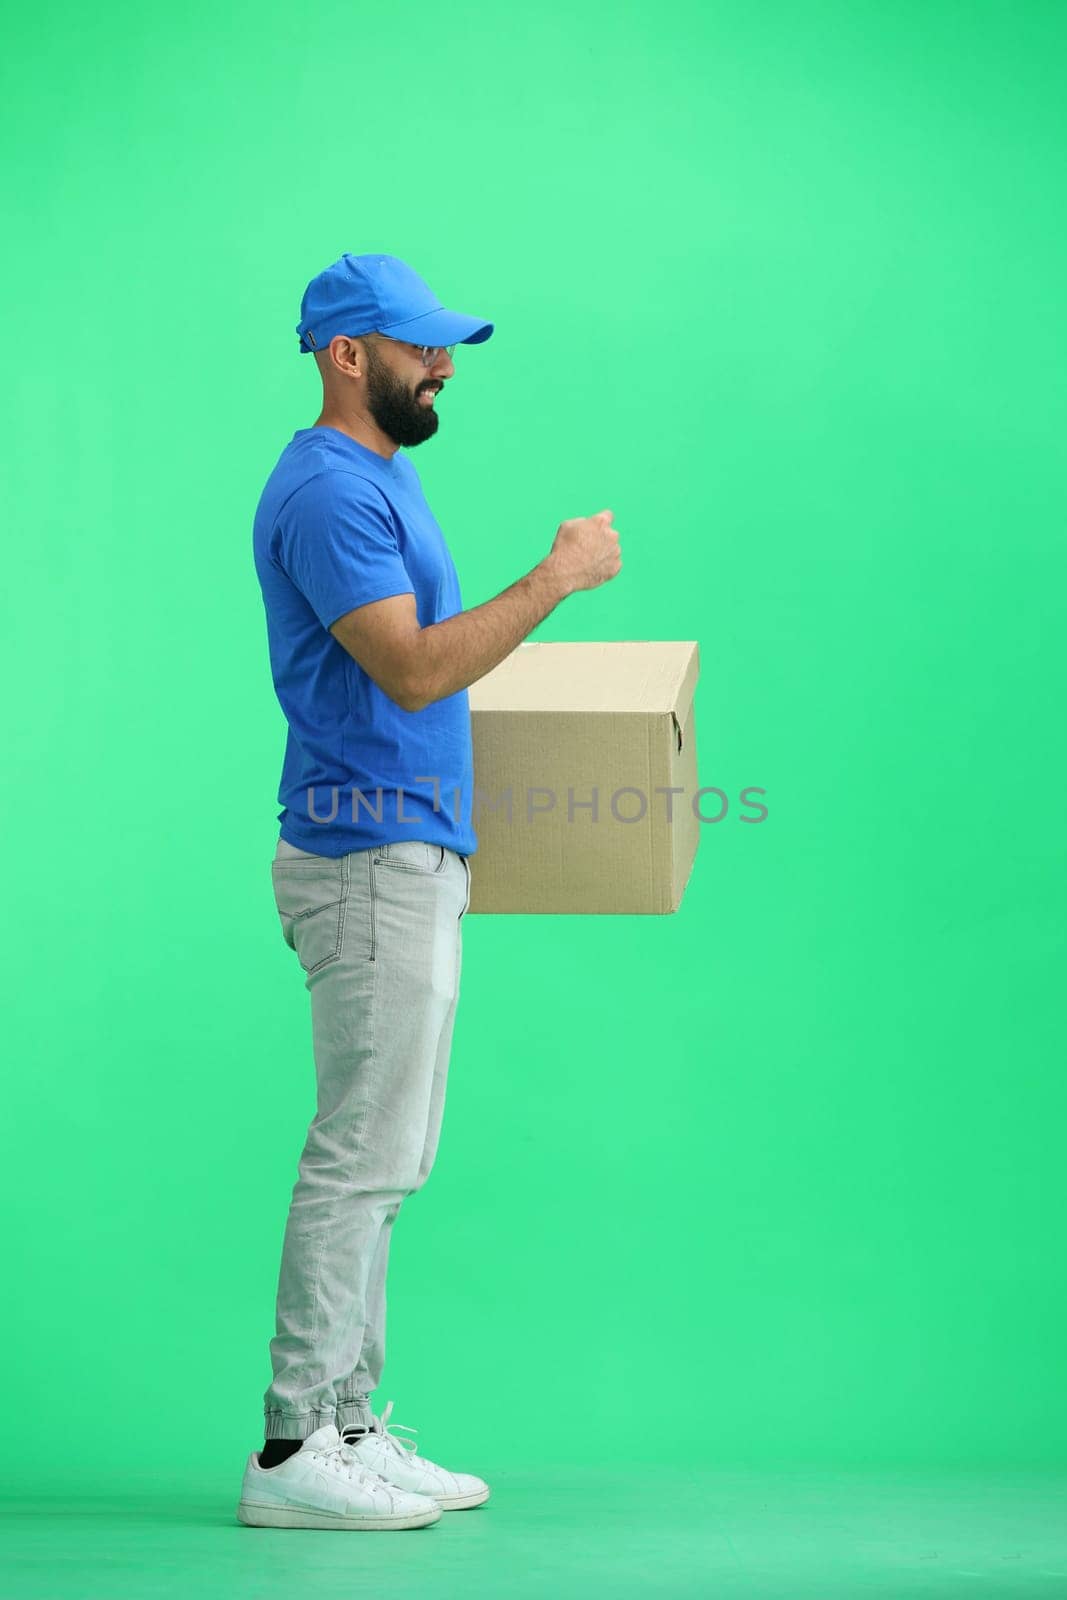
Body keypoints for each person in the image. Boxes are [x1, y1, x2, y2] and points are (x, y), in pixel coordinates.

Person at [237, 253, 622, 1532]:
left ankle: (348, 1420)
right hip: (363, 861)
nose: (443, 364)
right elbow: (408, 670)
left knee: (391, 1156)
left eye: (445, 345)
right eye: (419, 346)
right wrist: (552, 579)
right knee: (360, 1155)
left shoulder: (381, 481)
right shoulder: (329, 490)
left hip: (407, 853)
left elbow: (416, 682)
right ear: (348, 355)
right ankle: (294, 1448)